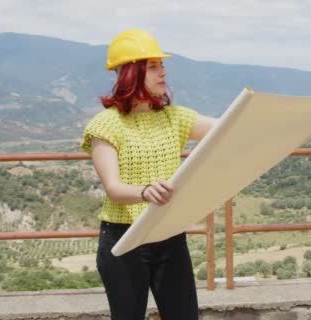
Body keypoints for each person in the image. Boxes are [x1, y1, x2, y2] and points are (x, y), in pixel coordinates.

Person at [81, 28, 218, 320]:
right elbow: (114, 188)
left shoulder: (174, 117)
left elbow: (231, 126)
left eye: (162, 65)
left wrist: (294, 123)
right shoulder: (105, 125)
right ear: (132, 73)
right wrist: (145, 191)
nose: (163, 72)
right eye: (153, 66)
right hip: (124, 241)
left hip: (168, 236)